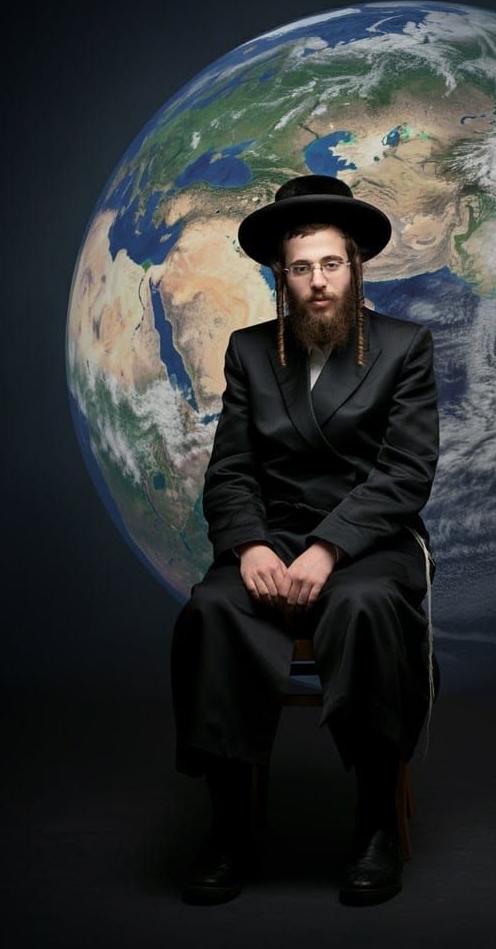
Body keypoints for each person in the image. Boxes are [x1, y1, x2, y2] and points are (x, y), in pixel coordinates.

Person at [170, 173, 439, 907]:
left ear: (355, 267)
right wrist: (251, 546)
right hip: (270, 540)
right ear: (279, 277)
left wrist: (328, 549)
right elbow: (230, 472)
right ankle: (228, 828)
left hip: (370, 542)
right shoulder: (250, 351)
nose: (317, 283)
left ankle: (376, 823)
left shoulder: (405, 347)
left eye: (330, 264)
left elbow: (405, 475)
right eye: (300, 268)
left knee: (363, 608)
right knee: (212, 610)